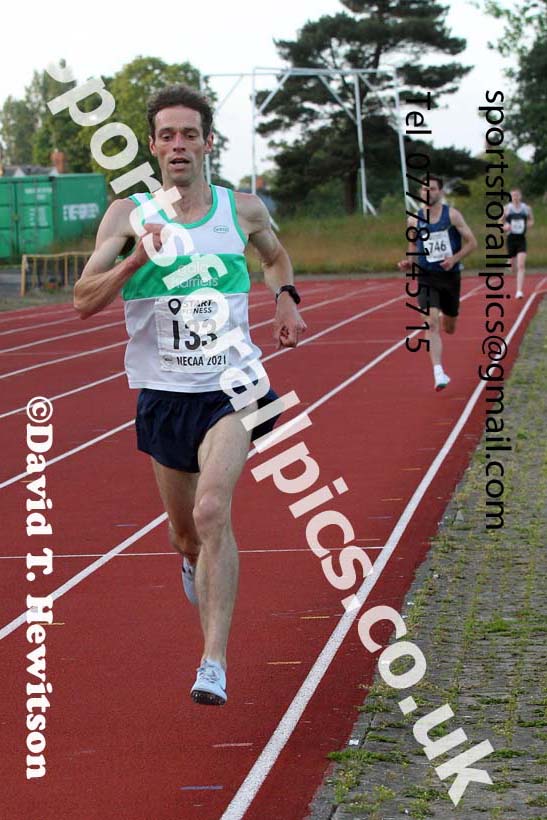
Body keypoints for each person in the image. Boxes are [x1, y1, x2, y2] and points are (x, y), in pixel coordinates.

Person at [73, 85, 306, 706]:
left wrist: (285, 299)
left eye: (190, 133)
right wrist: (131, 263)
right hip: (162, 395)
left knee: (211, 511)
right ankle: (190, 563)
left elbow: (276, 259)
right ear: (151, 146)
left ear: (207, 142)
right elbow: (82, 301)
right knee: (185, 535)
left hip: (234, 387)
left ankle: (213, 662)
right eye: (167, 135)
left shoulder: (243, 210)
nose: (179, 144)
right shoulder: (128, 214)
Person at [398, 176, 477, 391]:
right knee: (431, 323)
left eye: (432, 189)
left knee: (449, 326)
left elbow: (472, 243)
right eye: (424, 189)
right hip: (426, 276)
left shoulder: (452, 215)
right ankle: (439, 372)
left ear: (440, 192)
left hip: (450, 277)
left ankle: (446, 316)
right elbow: (413, 244)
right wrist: (410, 263)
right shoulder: (414, 219)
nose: (427, 192)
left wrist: (454, 259)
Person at [502, 188, 534, 299]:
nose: (515, 197)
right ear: (511, 197)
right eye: (513, 195)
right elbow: (500, 221)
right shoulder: (507, 208)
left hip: (521, 239)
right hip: (510, 239)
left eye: (517, 195)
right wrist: (505, 226)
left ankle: (519, 291)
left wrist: (529, 224)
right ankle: (510, 262)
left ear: (520, 196)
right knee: (513, 268)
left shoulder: (526, 208)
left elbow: (531, 220)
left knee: (521, 265)